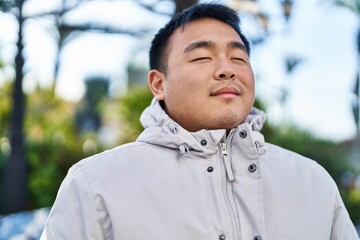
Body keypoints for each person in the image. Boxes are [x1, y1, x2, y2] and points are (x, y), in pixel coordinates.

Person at [41, 3, 359, 240]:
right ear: (158, 83)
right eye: (201, 57)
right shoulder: (95, 184)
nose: (226, 69)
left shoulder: (313, 182)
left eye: (238, 58)